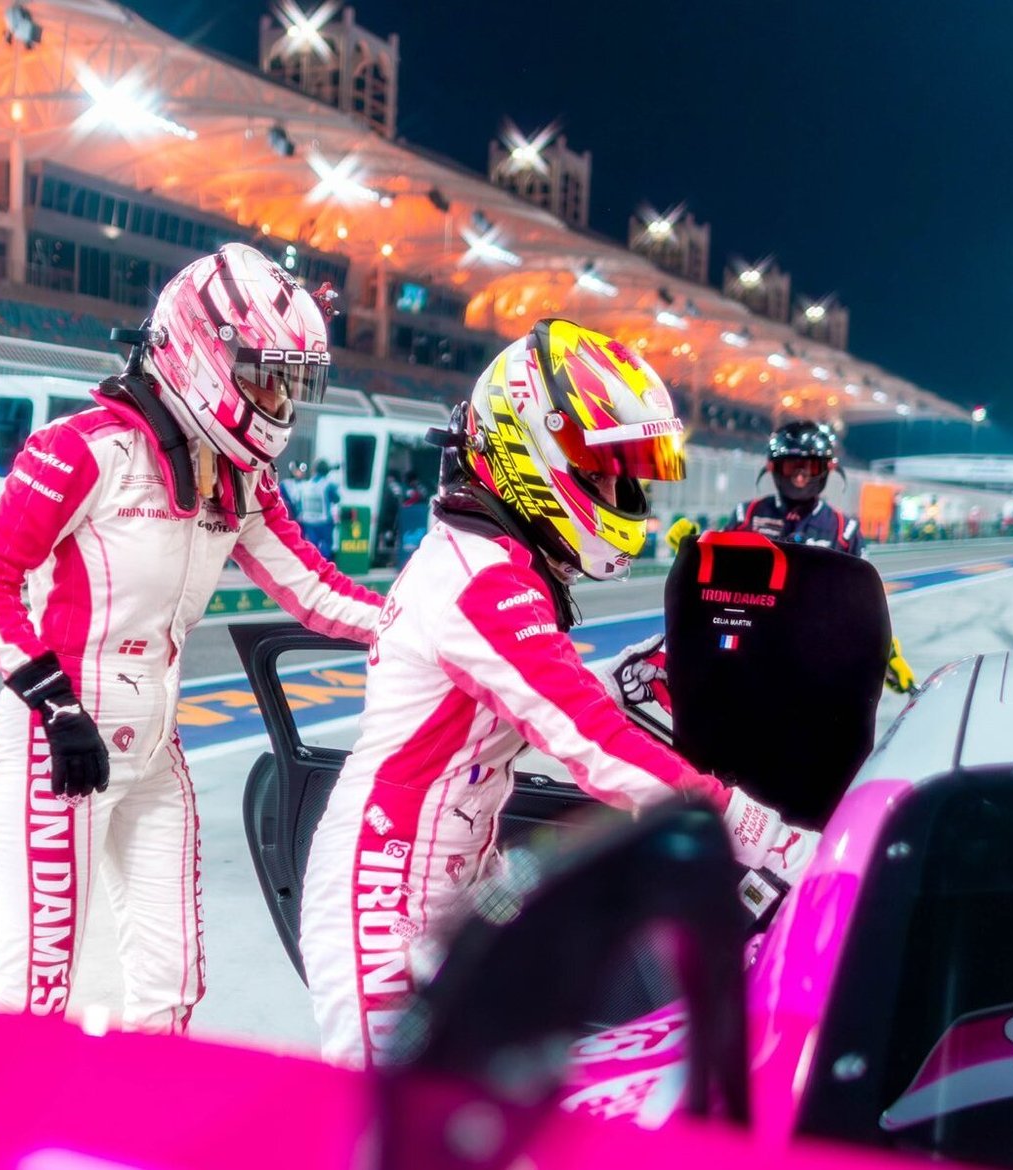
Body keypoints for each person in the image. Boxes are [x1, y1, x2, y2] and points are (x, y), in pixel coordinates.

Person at [299, 319, 821, 1067]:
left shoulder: (493, 558)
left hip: (447, 873)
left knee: (480, 1105)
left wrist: (626, 677)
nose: (618, 491)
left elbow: (530, 699)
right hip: (386, 885)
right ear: (532, 448)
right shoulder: (481, 579)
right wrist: (771, 838)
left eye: (622, 474)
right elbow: (590, 739)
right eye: (602, 471)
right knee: (392, 1114)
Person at [0, 243, 382, 1032]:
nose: (277, 397)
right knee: (42, 990)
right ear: (200, 348)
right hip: (59, 743)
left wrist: (420, 632)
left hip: (153, 746)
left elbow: (314, 589)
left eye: (287, 380)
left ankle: (141, 1112)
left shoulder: (239, 475)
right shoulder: (83, 448)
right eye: (264, 374)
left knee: (171, 980)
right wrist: (54, 706)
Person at [666, 420, 915, 693]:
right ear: (773, 467)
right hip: (749, 658)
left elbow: (865, 605)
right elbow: (717, 582)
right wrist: (693, 551)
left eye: (810, 466)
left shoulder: (845, 530)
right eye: (792, 465)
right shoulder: (746, 516)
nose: (800, 476)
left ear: (827, 469)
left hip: (815, 665)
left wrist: (888, 654)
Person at [293, 458, 340, 559]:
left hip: (308, 522)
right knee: (326, 546)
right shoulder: (328, 485)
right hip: (324, 522)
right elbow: (336, 499)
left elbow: (298, 503)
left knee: (311, 547)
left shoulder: (304, 485)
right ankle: (325, 563)